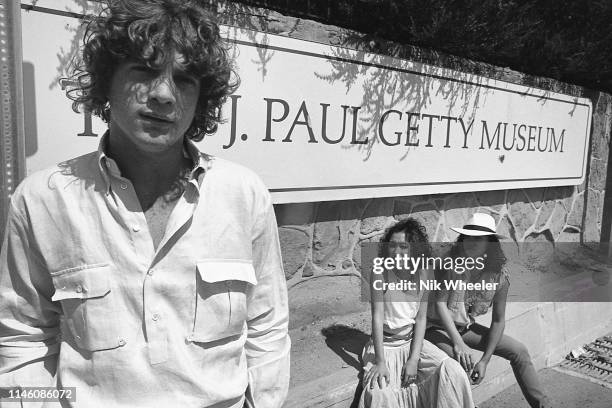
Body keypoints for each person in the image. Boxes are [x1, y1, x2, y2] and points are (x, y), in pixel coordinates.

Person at [0, 1, 290, 407]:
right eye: (145, 70)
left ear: (201, 98)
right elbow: (22, 338)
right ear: (108, 80)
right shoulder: (43, 199)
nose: (164, 95)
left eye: (185, 79)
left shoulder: (243, 193)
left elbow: (266, 326)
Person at [425, 212, 552, 408]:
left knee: (518, 351)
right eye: (468, 236)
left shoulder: (499, 276)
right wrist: (459, 344)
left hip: (464, 328)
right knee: (460, 362)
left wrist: (485, 360)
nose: (472, 242)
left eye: (479, 238)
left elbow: (498, 321)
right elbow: (439, 306)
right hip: (434, 327)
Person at [359, 219, 474, 408]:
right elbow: (377, 317)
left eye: (403, 246)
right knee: (380, 394)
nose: (396, 252)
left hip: (411, 342)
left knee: (453, 371)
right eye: (392, 246)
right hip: (384, 347)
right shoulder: (379, 272)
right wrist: (380, 361)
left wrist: (413, 359)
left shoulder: (425, 272)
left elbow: (421, 318)